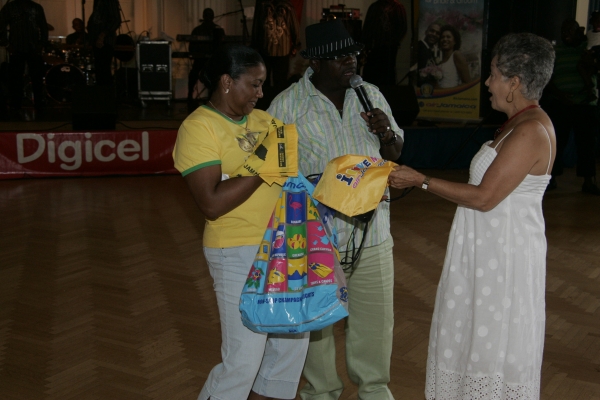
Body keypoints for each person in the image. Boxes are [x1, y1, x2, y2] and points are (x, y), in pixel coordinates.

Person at [388, 32, 556, 399]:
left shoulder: (531, 130)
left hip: (503, 259)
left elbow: (484, 198)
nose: (487, 83)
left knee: (492, 342)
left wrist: (421, 180)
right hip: (487, 251)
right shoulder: (520, 122)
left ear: (514, 83)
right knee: (473, 334)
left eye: (493, 74)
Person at [267, 19, 403, 400]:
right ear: (314, 62)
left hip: (372, 234)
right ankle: (321, 392)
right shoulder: (286, 106)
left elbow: (395, 152)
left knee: (376, 325)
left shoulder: (370, 95)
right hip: (316, 239)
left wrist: (386, 133)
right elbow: (276, 177)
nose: (350, 62)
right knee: (317, 327)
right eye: (340, 57)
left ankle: (374, 391)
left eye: (353, 54)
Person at [172, 44, 309, 400]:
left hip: (284, 244)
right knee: (244, 359)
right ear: (226, 82)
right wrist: (261, 166)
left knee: (290, 346)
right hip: (236, 249)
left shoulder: (266, 122)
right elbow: (212, 203)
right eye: (254, 84)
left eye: (263, 84)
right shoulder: (199, 127)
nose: (261, 93)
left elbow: (292, 181)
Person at [544, 18, 600, 194]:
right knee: (556, 143)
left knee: (587, 145)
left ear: (578, 31)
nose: (565, 34)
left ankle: (588, 181)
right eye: (563, 31)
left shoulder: (587, 47)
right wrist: (560, 95)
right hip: (561, 103)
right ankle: (551, 179)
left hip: (585, 104)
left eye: (570, 30)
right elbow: (548, 78)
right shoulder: (555, 52)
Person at [0, 0, 49, 110]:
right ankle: (16, 104)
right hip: (16, 47)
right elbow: (1, 26)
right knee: (16, 78)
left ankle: (39, 103)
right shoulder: (9, 7)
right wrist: (6, 44)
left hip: (33, 47)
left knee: (37, 77)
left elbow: (44, 27)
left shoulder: (36, 7)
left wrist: (42, 44)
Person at [251, 0, 300, 91]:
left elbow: (256, 25)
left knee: (266, 82)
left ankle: (267, 98)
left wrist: (254, 44)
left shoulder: (262, 4)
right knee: (278, 84)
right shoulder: (286, 5)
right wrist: (295, 44)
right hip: (277, 49)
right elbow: (294, 25)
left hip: (268, 49)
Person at [361, 0, 407, 87]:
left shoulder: (397, 8)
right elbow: (367, 29)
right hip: (375, 49)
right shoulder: (375, 7)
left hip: (387, 49)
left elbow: (402, 28)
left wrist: (392, 41)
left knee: (386, 75)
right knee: (373, 75)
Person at [187, 8, 224, 102]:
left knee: (216, 75)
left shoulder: (218, 30)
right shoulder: (197, 30)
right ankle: (190, 95)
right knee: (193, 74)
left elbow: (223, 47)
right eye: (207, 15)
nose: (208, 17)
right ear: (203, 17)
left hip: (212, 61)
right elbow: (192, 48)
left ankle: (212, 97)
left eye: (209, 15)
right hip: (200, 60)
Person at [87, 0, 121, 85]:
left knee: (103, 70)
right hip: (96, 40)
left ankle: (106, 90)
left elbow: (116, 20)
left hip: (105, 41)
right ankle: (103, 90)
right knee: (99, 70)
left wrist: (102, 35)